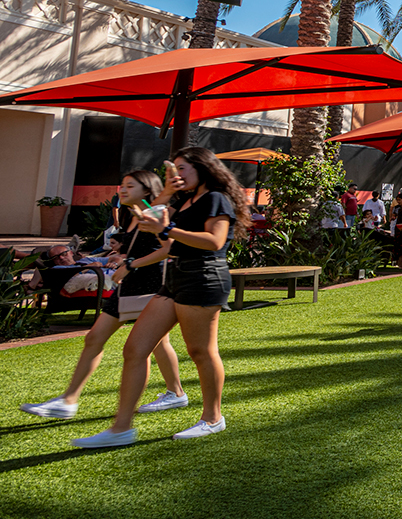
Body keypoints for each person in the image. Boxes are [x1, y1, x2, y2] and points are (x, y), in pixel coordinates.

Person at [71, 148, 241, 448]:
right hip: (174, 278)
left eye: (183, 168)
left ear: (203, 168)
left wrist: (168, 228)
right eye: (173, 168)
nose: (177, 173)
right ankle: (121, 428)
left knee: (200, 351)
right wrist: (164, 194)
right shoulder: (185, 201)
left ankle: (213, 418)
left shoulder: (216, 198)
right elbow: (154, 225)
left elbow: (214, 240)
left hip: (203, 277)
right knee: (135, 348)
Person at [21, 170, 189, 423]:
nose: (122, 189)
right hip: (130, 285)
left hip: (150, 286)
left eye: (130, 186)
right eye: (122, 184)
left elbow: (168, 249)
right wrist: (125, 261)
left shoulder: (151, 212)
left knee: (148, 345)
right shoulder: (131, 214)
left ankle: (162, 401)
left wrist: (131, 264)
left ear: (146, 190)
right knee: (98, 338)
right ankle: (68, 401)